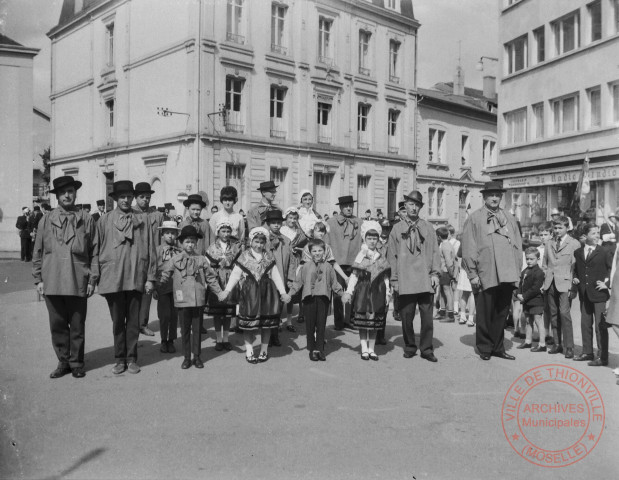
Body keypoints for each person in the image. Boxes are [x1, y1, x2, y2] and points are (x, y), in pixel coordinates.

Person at [32, 175, 98, 379]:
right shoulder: (47, 219)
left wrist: (92, 279)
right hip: (52, 279)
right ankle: (63, 361)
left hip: (78, 279)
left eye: (70, 191)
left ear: (75, 193)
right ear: (57, 196)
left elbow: (95, 250)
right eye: (62, 192)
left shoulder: (86, 218)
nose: (67, 195)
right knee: (57, 324)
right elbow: (38, 250)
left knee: (77, 324)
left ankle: (77, 362)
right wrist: (38, 279)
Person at [95, 180, 157, 375]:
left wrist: (150, 277)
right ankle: (119, 358)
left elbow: (151, 248)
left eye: (129, 197)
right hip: (113, 277)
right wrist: (96, 277)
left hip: (136, 276)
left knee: (133, 321)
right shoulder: (104, 220)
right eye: (122, 197)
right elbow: (96, 249)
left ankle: (131, 358)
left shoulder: (143, 219)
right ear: (115, 198)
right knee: (117, 321)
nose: (126, 200)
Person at [462, 181, 523, 361]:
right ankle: (485, 347)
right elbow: (468, 248)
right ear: (484, 197)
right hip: (485, 273)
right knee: (484, 312)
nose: (494, 198)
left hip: (507, 273)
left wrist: (517, 272)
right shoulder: (474, 218)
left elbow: (518, 245)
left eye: (497, 195)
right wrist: (472, 274)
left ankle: (498, 347)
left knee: (501, 312)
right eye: (491, 195)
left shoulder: (509, 218)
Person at [220, 227, 290, 363]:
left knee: (266, 323)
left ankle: (264, 350)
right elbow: (235, 275)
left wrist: (283, 292)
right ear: (251, 241)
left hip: (267, 292)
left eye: (262, 242)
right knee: (248, 323)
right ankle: (249, 350)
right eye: (256, 241)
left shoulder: (269, 257)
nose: (259, 245)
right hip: (249, 292)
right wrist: (227, 291)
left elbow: (275, 275)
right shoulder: (244, 256)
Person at [388, 190, 441, 363]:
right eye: (411, 204)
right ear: (405, 206)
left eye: (417, 205)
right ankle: (410, 346)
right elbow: (392, 256)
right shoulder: (397, 229)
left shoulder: (428, 228)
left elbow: (434, 252)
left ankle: (426, 349)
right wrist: (394, 280)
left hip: (425, 279)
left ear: (420, 207)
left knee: (427, 319)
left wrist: (435, 273)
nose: (414, 208)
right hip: (405, 279)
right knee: (406, 317)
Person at [160, 225, 223, 369]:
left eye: (193, 242)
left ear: (196, 243)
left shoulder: (201, 259)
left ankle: (197, 356)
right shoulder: (175, 259)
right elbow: (165, 273)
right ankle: (187, 357)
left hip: (198, 300)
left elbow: (211, 278)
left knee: (197, 329)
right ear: (181, 243)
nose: (190, 244)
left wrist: (219, 292)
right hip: (182, 301)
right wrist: (159, 282)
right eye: (187, 242)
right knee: (185, 330)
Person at [288, 238, 345, 361]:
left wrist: (342, 294)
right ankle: (312, 349)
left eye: (320, 250)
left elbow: (334, 283)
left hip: (323, 299)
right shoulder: (305, 266)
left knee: (321, 324)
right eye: (314, 251)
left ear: (324, 252)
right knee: (310, 325)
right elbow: (298, 283)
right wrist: (290, 294)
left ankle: (320, 349)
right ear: (310, 252)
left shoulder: (329, 267)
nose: (317, 253)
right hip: (309, 299)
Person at [343, 221, 391, 361]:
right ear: (365, 239)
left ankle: (372, 349)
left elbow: (385, 276)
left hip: (378, 291)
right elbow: (354, 276)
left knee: (375, 323)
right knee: (363, 322)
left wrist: (388, 292)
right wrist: (349, 291)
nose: (372, 241)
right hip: (364, 291)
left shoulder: (380, 256)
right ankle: (364, 348)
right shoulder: (361, 256)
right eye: (369, 238)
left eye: (375, 238)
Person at [571, 224, 611, 366]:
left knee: (600, 326)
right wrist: (575, 277)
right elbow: (576, 269)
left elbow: (611, 270)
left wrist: (607, 284)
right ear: (585, 235)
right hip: (584, 294)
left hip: (599, 294)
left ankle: (602, 357)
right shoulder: (578, 252)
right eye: (593, 233)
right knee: (585, 324)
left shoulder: (604, 252)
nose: (596, 235)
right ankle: (587, 352)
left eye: (597, 233)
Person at [543, 215, 580, 359]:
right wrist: (546, 277)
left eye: (560, 228)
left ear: (567, 228)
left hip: (566, 283)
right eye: (555, 228)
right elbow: (545, 264)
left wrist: (573, 286)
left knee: (564, 314)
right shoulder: (549, 243)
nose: (557, 230)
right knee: (553, 315)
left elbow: (576, 267)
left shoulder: (574, 243)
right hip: (550, 283)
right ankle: (557, 344)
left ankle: (569, 346)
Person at [133, 182, 165, 337]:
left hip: (153, 257)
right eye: (142, 197)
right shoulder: (131, 214)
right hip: (136, 257)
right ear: (135, 197)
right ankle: (133, 324)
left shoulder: (157, 215)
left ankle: (143, 324)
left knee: (148, 292)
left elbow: (162, 237)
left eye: (148, 197)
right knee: (134, 293)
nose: (145, 200)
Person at [326, 195, 361, 330]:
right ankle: (339, 322)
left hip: (354, 262)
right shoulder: (331, 222)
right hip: (337, 263)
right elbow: (326, 243)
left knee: (353, 292)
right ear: (340, 207)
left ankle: (351, 320)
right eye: (345, 206)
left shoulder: (359, 222)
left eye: (350, 206)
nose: (348, 208)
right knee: (338, 292)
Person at [205, 221, 241, 352]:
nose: (226, 234)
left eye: (228, 231)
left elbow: (238, 264)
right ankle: (218, 339)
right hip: (216, 280)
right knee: (217, 313)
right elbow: (207, 265)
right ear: (218, 232)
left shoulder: (235, 247)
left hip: (230, 279)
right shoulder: (211, 247)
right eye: (223, 231)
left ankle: (226, 339)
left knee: (227, 312)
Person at [264, 209, 296, 347]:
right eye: (273, 223)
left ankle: (275, 335)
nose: (276, 225)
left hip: (282, 280)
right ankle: (266, 335)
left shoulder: (286, 241)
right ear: (268, 224)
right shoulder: (263, 239)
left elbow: (292, 262)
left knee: (278, 308)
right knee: (268, 308)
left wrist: (290, 278)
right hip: (267, 280)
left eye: (278, 223)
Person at [154, 221, 182, 354]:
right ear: (162, 234)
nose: (170, 236)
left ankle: (171, 340)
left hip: (177, 287)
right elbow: (153, 268)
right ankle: (163, 340)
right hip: (163, 286)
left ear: (177, 235)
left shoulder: (180, 251)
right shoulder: (158, 250)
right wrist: (154, 286)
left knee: (174, 315)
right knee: (164, 315)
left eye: (173, 233)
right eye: (167, 233)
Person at [515, 247, 546, 352]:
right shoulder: (525, 271)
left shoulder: (539, 272)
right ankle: (528, 341)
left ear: (538, 259)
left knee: (538, 321)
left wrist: (524, 296)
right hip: (527, 300)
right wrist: (518, 293)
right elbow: (520, 283)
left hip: (536, 301)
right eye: (527, 259)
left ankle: (542, 344)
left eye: (531, 259)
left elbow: (536, 288)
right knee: (528, 321)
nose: (529, 261)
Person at [280, 207, 308, 324]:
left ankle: (290, 320)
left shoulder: (299, 231)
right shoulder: (281, 230)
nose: (292, 220)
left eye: (295, 218)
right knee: (281, 289)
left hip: (295, 262)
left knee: (293, 288)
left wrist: (299, 249)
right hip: (283, 262)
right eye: (290, 218)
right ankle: (279, 319)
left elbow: (306, 245)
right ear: (286, 218)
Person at [436, 226, 457, 322]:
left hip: (446, 271)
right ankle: (442, 312)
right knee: (443, 292)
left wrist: (451, 274)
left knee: (447, 292)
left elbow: (449, 262)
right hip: (443, 271)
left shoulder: (445, 246)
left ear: (439, 236)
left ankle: (450, 315)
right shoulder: (445, 244)